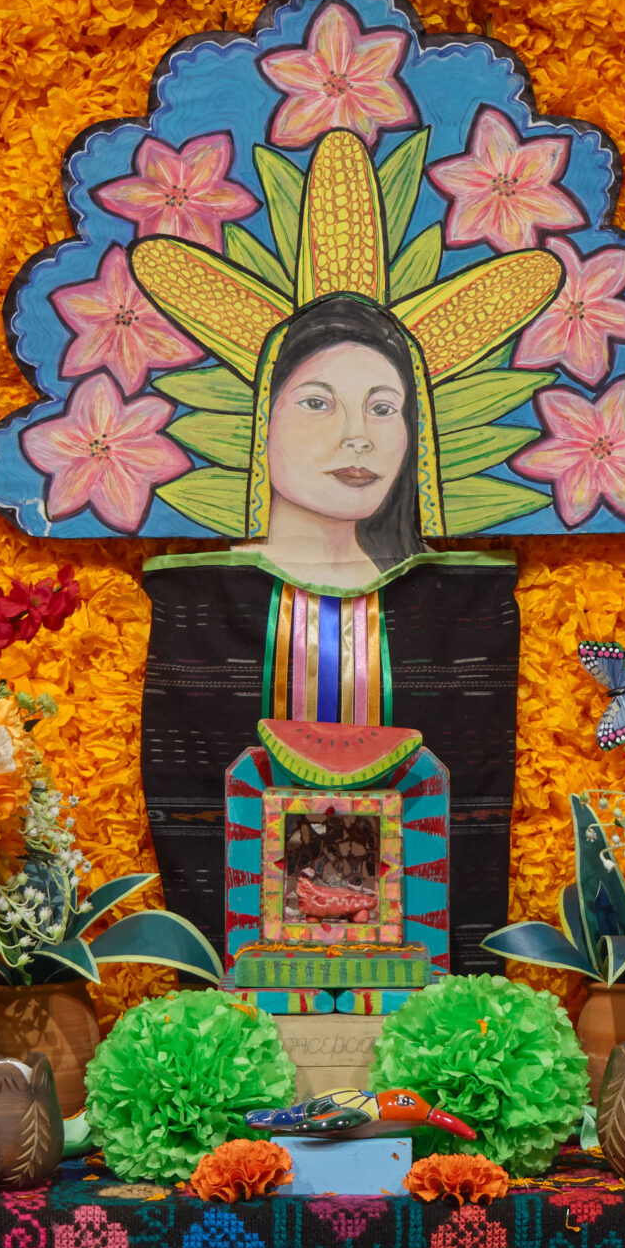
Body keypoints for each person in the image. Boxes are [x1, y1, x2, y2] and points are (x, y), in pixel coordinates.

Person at [139, 288, 519, 970]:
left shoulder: (459, 608)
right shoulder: (199, 603)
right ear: (262, 419)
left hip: (424, 1001)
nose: (358, 436)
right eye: (318, 402)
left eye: (383, 408)